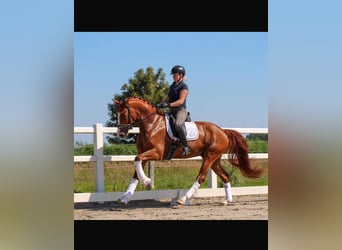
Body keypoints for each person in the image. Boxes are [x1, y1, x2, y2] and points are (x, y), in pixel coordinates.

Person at [158, 65, 190, 159]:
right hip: (171, 111)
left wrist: (169, 105)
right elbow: (167, 98)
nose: (173, 76)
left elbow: (181, 101)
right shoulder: (172, 86)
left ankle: (185, 146)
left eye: (175, 75)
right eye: (173, 75)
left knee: (178, 125)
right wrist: (162, 104)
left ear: (181, 75)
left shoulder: (184, 86)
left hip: (181, 110)